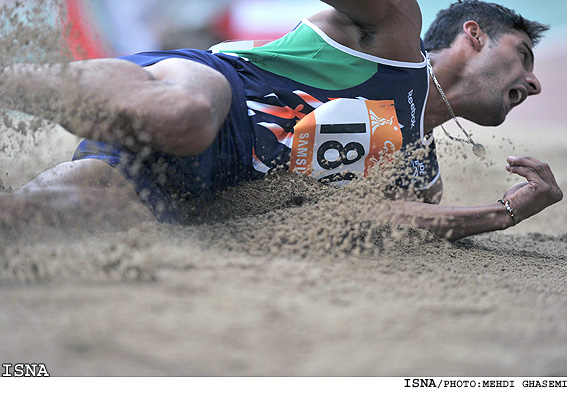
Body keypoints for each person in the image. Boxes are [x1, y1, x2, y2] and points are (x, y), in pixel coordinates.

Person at [0, 0, 562, 241]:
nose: (534, 83)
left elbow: (390, 220)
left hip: (187, 185)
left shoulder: (421, 177)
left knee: (32, 218)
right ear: (474, 34)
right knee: (188, 116)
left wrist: (506, 211)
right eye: (524, 57)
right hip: (203, 91)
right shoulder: (392, 33)